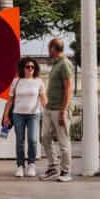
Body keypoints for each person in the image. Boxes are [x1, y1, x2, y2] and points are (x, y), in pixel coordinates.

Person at [2, 58, 47, 178]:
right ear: (23, 68)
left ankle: (31, 164)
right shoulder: (16, 81)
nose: (30, 69)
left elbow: (43, 99)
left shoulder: (39, 82)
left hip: (34, 115)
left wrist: (48, 111)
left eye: (32, 67)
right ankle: (20, 166)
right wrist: (6, 116)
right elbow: (10, 100)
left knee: (33, 139)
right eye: (28, 67)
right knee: (20, 141)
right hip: (18, 115)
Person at [40, 38, 74, 183]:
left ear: (54, 48)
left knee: (63, 142)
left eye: (49, 48)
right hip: (49, 108)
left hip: (60, 109)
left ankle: (66, 171)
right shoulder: (56, 64)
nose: (48, 50)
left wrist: (63, 110)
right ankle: (53, 168)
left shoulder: (65, 64)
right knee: (45, 137)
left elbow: (69, 89)